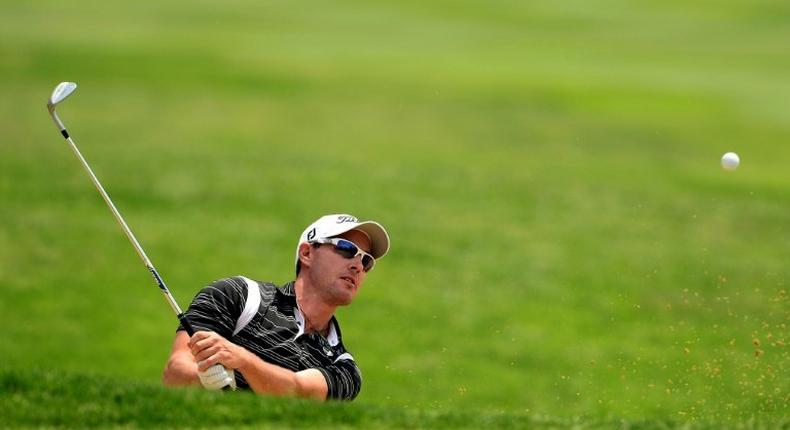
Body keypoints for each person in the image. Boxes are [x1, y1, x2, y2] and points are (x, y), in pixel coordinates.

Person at [162, 214, 390, 401]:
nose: (358, 265)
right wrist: (203, 379)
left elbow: (299, 392)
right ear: (307, 253)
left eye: (366, 260)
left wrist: (242, 360)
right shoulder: (237, 295)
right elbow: (175, 371)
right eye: (346, 248)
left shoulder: (345, 369)